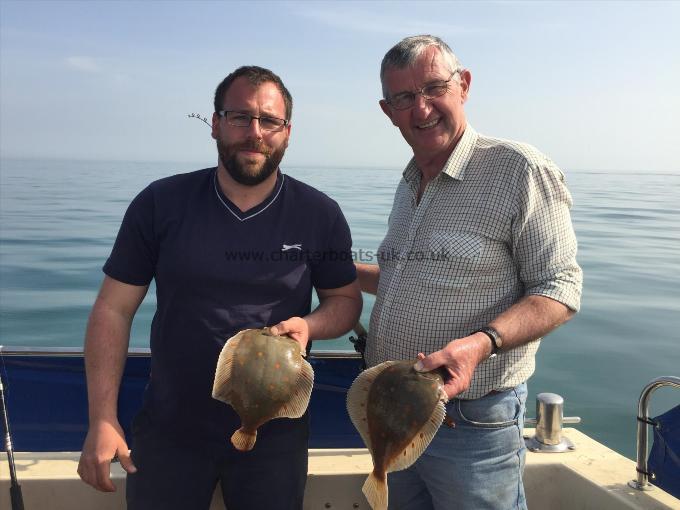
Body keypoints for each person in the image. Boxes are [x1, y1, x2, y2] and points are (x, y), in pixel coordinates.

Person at [77, 65, 362, 510]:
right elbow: (113, 309)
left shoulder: (319, 213)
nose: (255, 133)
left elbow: (344, 301)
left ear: (287, 132)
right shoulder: (160, 203)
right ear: (215, 123)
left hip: (275, 431)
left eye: (269, 121)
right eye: (239, 117)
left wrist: (309, 326)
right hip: (171, 430)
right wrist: (102, 419)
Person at [355, 35, 582, 510]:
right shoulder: (410, 180)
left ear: (465, 85)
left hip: (472, 422)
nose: (421, 110)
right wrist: (336, 271)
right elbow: (404, 280)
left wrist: (482, 344)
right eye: (404, 98)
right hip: (396, 413)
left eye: (434, 88)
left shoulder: (518, 169)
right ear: (387, 110)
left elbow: (560, 288)